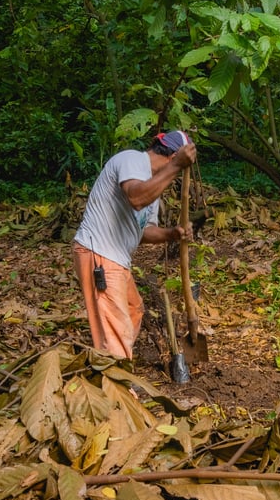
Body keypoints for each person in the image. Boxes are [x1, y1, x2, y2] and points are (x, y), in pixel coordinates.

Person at [72, 130, 197, 360]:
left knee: (133, 310)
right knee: (116, 332)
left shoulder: (152, 184)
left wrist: (172, 233)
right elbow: (136, 198)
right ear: (173, 157)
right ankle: (117, 376)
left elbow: (143, 231)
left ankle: (112, 363)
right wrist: (176, 166)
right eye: (177, 166)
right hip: (99, 253)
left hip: (115, 259)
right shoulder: (132, 160)